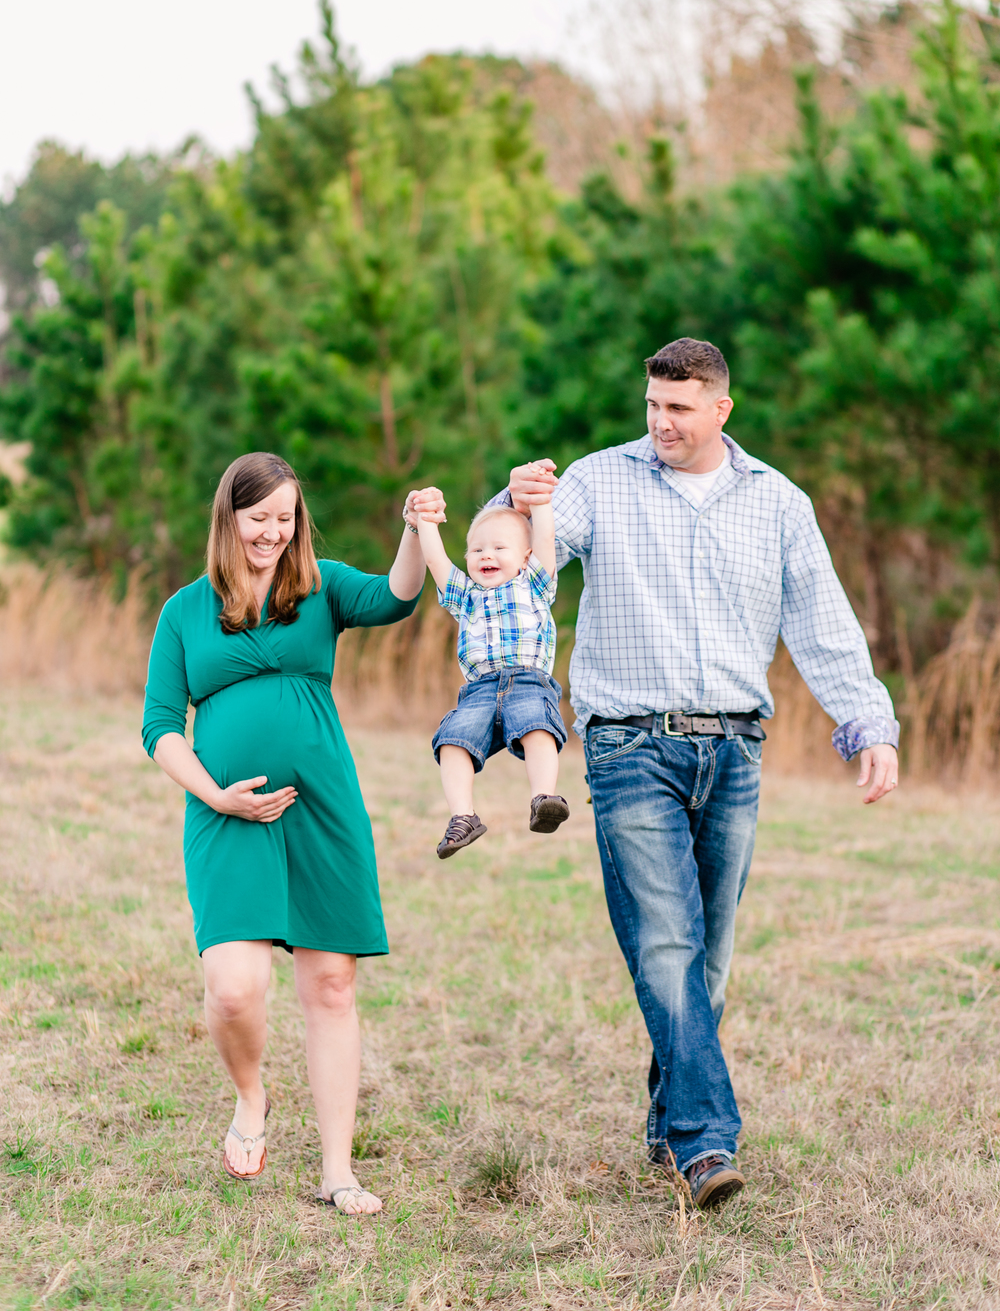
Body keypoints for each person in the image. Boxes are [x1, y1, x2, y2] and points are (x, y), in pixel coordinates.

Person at [497, 338, 900, 1210]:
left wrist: (869, 723)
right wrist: (516, 499)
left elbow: (823, 621)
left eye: (679, 408)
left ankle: (665, 1119)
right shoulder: (600, 482)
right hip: (627, 745)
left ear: (721, 407)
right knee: (666, 942)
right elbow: (521, 559)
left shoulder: (778, 503)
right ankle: (706, 1142)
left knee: (708, 959)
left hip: (736, 751)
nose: (661, 422)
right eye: (652, 404)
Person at [141, 452, 426, 1215]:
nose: (271, 533)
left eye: (284, 519)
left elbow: (400, 595)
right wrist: (214, 796)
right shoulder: (185, 610)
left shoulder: (323, 587)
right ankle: (251, 1097)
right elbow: (161, 728)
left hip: (322, 807)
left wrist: (413, 528)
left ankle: (338, 1171)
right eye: (258, 518)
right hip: (225, 813)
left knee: (331, 986)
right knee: (235, 990)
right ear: (228, 518)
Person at [409, 482, 570, 857]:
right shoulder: (465, 597)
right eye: (477, 549)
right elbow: (435, 560)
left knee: (537, 727)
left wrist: (541, 501)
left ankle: (543, 797)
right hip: (479, 691)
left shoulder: (535, 584)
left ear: (525, 557)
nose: (487, 555)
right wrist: (426, 520)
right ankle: (463, 817)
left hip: (529, 682)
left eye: (500, 548)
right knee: (451, 740)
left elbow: (545, 537)